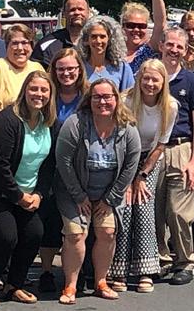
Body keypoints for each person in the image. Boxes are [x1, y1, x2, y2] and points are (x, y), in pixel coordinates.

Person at [0, 71, 57, 308]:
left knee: (34, 233)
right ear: (24, 91)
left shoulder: (49, 122)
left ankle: (14, 285)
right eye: (33, 89)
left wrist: (38, 195)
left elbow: (49, 166)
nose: (39, 94)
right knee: (7, 236)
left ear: (50, 94)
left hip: (27, 192)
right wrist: (19, 197)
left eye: (44, 90)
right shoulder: (7, 121)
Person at [54, 78, 143, 303]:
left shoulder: (128, 128)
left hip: (108, 194)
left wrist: (111, 198)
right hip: (74, 191)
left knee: (107, 232)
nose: (102, 102)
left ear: (116, 99)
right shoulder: (75, 123)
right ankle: (70, 286)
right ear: (89, 100)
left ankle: (101, 282)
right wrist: (79, 196)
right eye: (97, 97)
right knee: (76, 234)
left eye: (107, 97)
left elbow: (131, 165)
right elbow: (63, 161)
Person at [111, 59, 176, 293]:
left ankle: (145, 270)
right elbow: (120, 141)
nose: (150, 84)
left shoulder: (171, 106)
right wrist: (128, 179)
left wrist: (142, 175)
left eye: (155, 80)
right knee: (125, 209)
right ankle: (118, 270)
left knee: (144, 208)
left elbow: (161, 145)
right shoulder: (126, 101)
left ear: (163, 82)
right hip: (124, 156)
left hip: (150, 158)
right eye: (145, 78)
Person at [154, 27, 194, 285]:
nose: (174, 50)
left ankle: (185, 262)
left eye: (180, 47)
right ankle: (160, 260)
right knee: (154, 210)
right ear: (161, 46)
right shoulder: (149, 76)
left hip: (181, 148)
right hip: (153, 150)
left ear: (186, 51)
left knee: (179, 212)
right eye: (170, 45)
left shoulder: (193, 82)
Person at [35, 47, 88, 292]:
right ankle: (46, 271)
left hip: (80, 168)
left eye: (71, 69)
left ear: (80, 70)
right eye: (61, 69)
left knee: (77, 224)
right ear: (54, 70)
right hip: (48, 164)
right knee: (49, 221)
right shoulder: (47, 94)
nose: (66, 73)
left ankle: (77, 272)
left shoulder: (88, 96)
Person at [0, 24, 47, 123]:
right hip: (5, 128)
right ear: (7, 46)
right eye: (15, 43)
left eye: (24, 43)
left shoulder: (37, 68)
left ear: (31, 46)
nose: (20, 48)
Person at [81, 15, 136, 91]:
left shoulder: (122, 68)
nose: (98, 41)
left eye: (102, 37)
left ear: (109, 40)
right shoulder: (79, 67)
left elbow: (130, 95)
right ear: (87, 40)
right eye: (94, 36)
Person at [34, 0, 90, 64]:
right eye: (72, 10)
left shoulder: (98, 41)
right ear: (63, 14)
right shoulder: (46, 45)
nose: (77, 12)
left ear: (88, 12)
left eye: (80, 9)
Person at [123, 0, 168, 71]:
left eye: (141, 26)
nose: (136, 30)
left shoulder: (148, 50)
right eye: (131, 25)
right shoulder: (113, 52)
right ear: (122, 26)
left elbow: (160, 25)